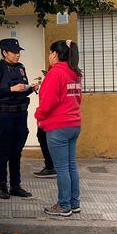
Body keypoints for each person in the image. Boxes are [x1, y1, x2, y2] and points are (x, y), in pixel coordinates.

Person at [36, 40, 82, 217]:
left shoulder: (55, 73)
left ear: (54, 54)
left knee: (62, 168)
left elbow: (48, 102)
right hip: (73, 124)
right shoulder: (74, 73)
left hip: (58, 126)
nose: (49, 56)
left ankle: (64, 205)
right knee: (71, 166)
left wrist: (39, 116)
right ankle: (74, 203)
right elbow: (78, 99)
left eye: (50, 53)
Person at [0, 38, 37, 199]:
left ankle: (16, 185)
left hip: (20, 114)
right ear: (4, 53)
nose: (17, 55)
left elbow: (21, 90)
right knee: (4, 151)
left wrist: (31, 88)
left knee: (17, 151)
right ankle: (2, 186)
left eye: (18, 52)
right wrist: (11, 89)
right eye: (14, 52)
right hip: (4, 115)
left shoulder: (21, 68)